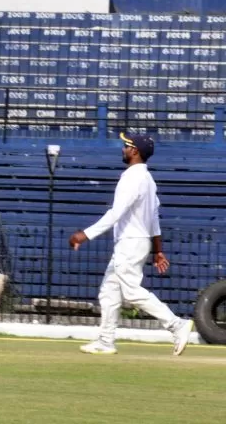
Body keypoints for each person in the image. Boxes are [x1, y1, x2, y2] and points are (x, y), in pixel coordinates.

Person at [69, 132, 194, 356]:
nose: (123, 149)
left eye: (126, 145)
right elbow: (154, 219)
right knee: (109, 290)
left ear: (135, 151)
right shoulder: (148, 180)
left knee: (132, 292)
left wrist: (84, 235)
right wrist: (158, 250)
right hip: (138, 241)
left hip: (131, 242)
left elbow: (116, 212)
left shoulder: (131, 178)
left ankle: (177, 325)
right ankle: (106, 340)